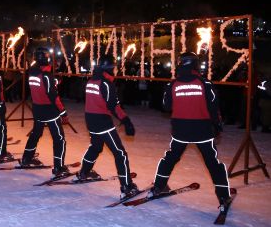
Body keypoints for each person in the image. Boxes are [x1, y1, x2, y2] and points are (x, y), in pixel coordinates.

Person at [149, 52, 231, 209]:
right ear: (195, 64)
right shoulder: (204, 83)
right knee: (213, 163)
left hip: (180, 129)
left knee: (170, 158)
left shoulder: (172, 84)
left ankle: (158, 186)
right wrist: (218, 126)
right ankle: (223, 196)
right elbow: (214, 107)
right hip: (203, 130)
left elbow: (166, 106)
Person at [74, 55, 138, 199]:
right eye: (113, 67)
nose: (114, 70)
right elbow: (113, 106)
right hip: (102, 122)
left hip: (90, 120)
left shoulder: (92, 80)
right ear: (108, 68)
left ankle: (84, 173)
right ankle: (126, 187)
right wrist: (126, 120)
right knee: (120, 153)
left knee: (96, 147)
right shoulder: (106, 84)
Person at [21, 47, 70, 178]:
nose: (48, 58)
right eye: (47, 56)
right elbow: (53, 96)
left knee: (36, 134)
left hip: (37, 108)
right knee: (59, 139)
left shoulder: (32, 72)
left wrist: (53, 81)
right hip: (50, 110)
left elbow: (42, 86)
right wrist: (63, 111)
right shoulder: (46, 74)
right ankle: (58, 167)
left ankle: (27, 157)